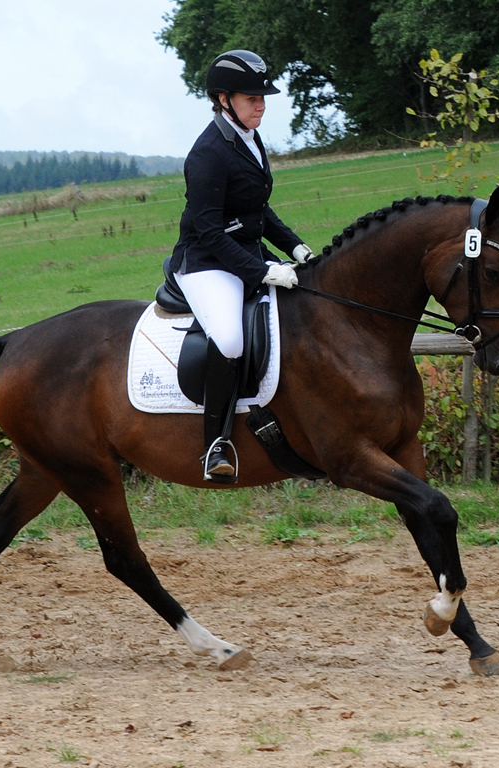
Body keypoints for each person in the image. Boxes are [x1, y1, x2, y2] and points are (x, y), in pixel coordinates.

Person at [168, 49, 314, 483]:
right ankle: (215, 445)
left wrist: (297, 247)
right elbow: (210, 231)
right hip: (206, 264)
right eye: (251, 97)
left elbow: (258, 210)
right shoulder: (208, 153)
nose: (261, 104)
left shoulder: (248, 138)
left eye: (263, 96)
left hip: (245, 255)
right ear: (223, 98)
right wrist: (262, 270)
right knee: (230, 339)